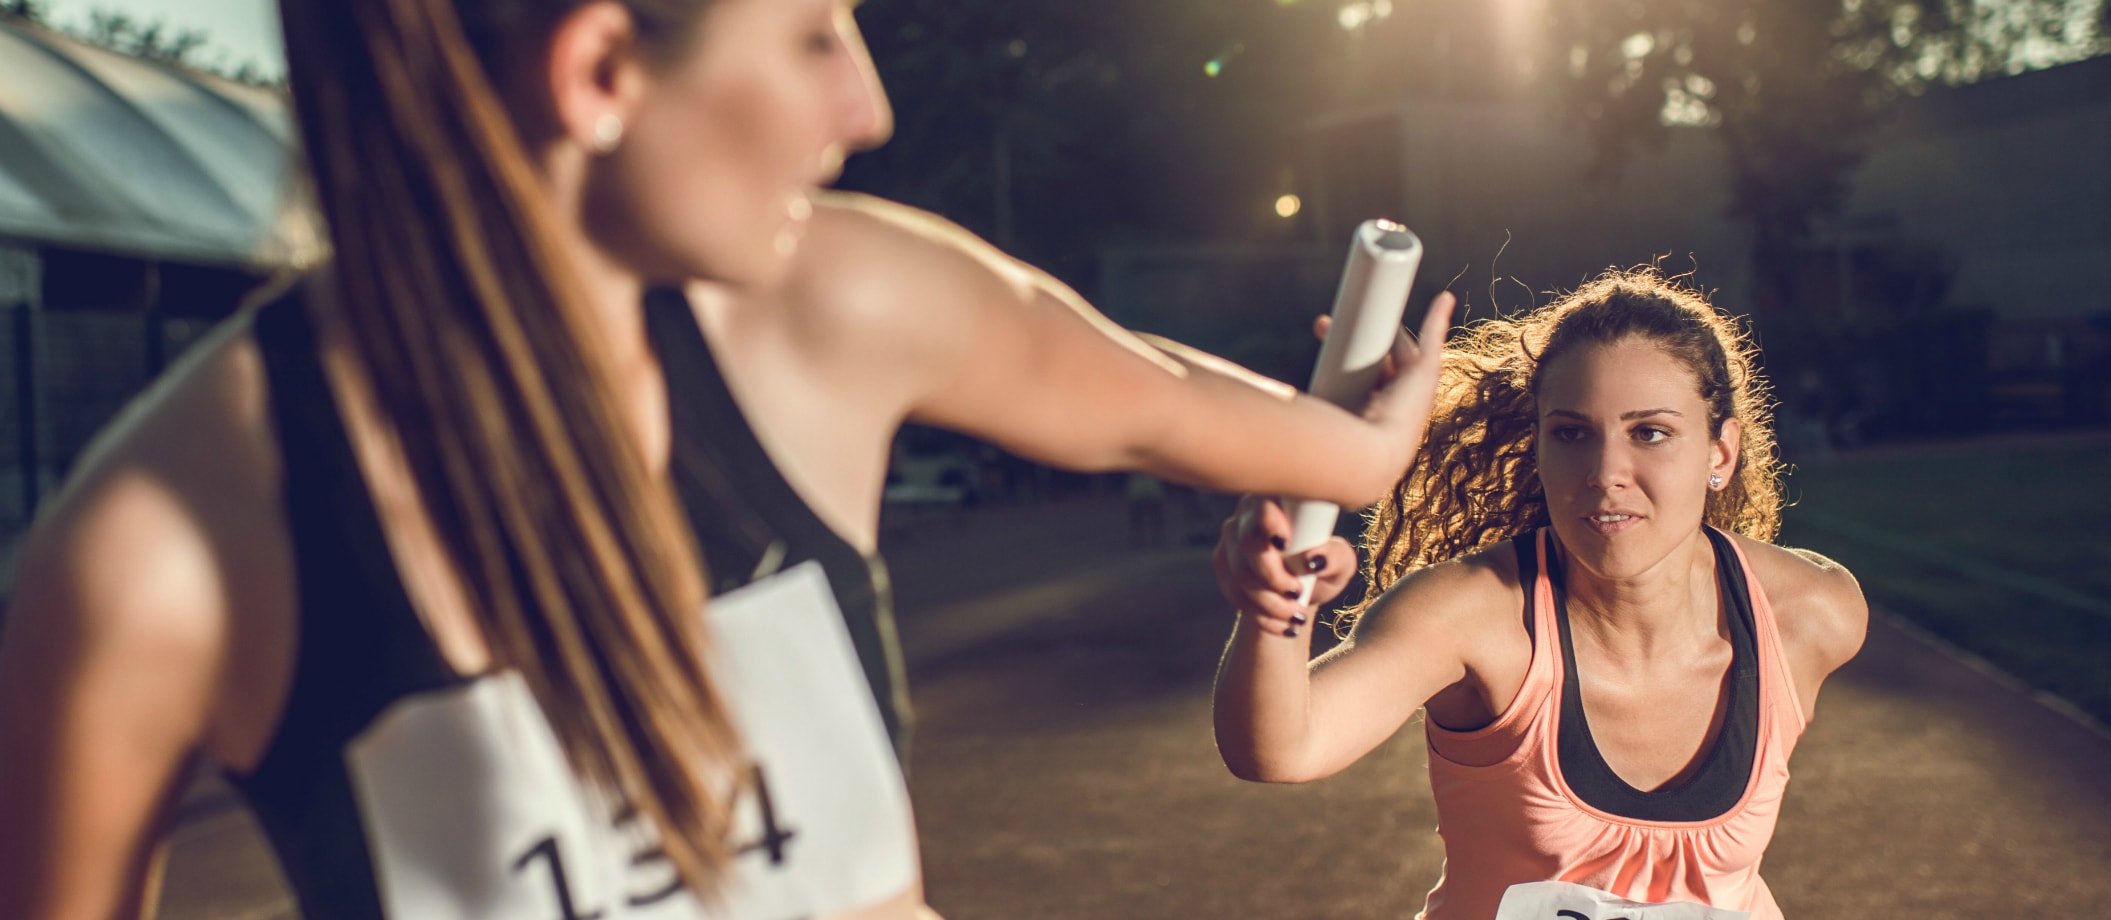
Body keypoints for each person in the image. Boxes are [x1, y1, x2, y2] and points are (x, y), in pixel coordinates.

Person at [0, 1, 1456, 918]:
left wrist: (1366, 444)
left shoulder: (838, 305)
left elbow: (1162, 404)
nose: (867, 108)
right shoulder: (154, 565)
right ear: (602, 69)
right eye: (818, 31)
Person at [1210, 268, 1866, 919]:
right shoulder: (1472, 617)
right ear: (1541, 447)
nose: (1607, 473)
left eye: (1651, 432)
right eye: (1573, 433)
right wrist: (1274, 604)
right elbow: (1279, 749)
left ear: (1720, 453)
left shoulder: (1810, 615)